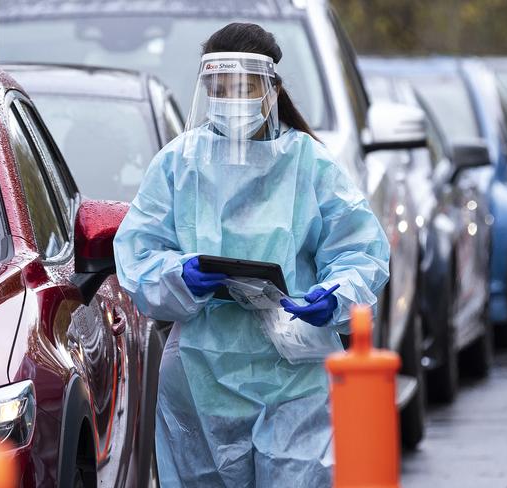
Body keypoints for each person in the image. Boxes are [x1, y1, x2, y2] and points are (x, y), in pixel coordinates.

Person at [114, 23, 390, 487]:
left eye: (241, 88)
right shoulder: (178, 164)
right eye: (218, 89)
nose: (229, 100)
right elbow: (139, 254)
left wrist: (332, 296)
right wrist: (178, 276)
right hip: (203, 380)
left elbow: (362, 250)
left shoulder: (310, 164)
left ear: (271, 91)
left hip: (293, 376)